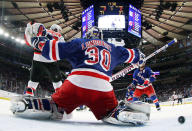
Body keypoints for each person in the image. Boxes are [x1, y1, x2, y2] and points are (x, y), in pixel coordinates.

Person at [12, 25, 150, 125]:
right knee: (110, 110)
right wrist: (140, 57)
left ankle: (31, 105)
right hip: (103, 88)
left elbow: (53, 51)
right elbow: (135, 55)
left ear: (88, 36)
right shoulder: (113, 48)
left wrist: (39, 43)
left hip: (75, 83)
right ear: (101, 37)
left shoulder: (79, 42)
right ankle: (118, 113)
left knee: (56, 105)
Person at [24, 22, 64, 96]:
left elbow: (30, 41)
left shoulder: (44, 30)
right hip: (50, 59)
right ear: (57, 29)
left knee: (34, 80)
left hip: (37, 58)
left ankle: (29, 93)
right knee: (57, 82)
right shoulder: (58, 35)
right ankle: (60, 96)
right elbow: (62, 46)